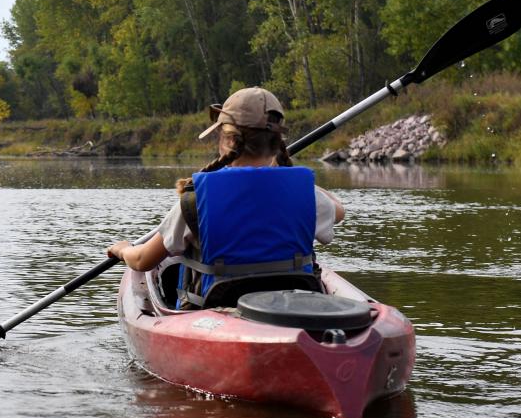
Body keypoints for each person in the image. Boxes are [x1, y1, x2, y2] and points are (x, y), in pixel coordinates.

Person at [107, 87, 344, 306]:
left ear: (228, 140)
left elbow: (142, 261)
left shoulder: (198, 197)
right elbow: (338, 211)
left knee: (170, 261)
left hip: (216, 311)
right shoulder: (305, 192)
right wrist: (293, 178)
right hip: (293, 305)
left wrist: (122, 249)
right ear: (276, 144)